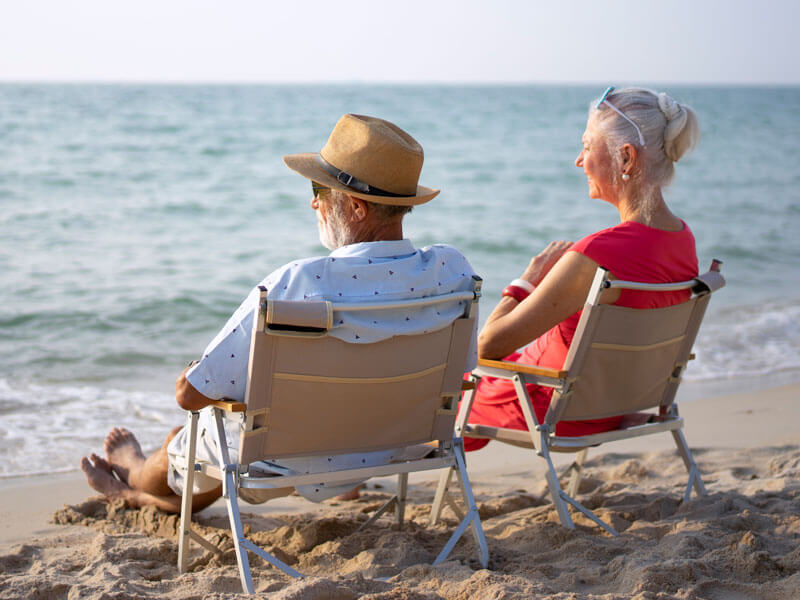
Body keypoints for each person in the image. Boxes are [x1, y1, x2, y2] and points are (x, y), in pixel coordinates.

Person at [80, 114, 478, 512]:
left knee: (192, 439)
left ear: (355, 207)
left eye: (320, 189)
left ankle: (132, 476)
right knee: (228, 438)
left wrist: (193, 370)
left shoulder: (299, 283)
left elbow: (191, 396)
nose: (313, 202)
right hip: (393, 447)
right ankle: (133, 491)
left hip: (284, 460)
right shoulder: (451, 271)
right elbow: (463, 365)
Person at [465, 87, 701, 451]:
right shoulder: (683, 241)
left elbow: (487, 346)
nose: (579, 161)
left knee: (443, 382)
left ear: (626, 158)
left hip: (548, 409)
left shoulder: (595, 256)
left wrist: (526, 281)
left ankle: (356, 475)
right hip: (610, 404)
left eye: (588, 146)